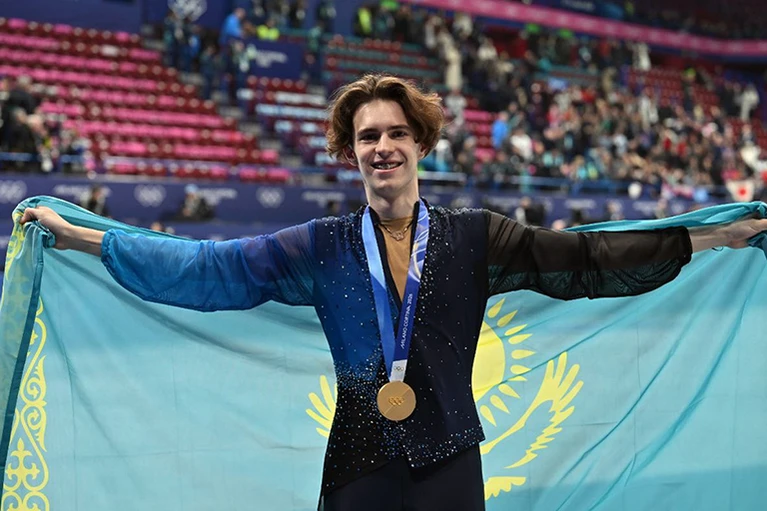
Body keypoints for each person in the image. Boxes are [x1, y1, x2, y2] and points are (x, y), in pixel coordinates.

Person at [20, 74, 767, 511]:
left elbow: (585, 258)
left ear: (420, 144)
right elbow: (209, 268)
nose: (382, 147)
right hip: (358, 468)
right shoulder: (319, 244)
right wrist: (84, 237)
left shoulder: (476, 236)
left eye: (396, 133)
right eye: (367, 136)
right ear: (350, 152)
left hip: (451, 462)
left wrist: (710, 237)